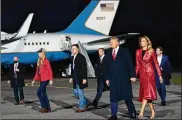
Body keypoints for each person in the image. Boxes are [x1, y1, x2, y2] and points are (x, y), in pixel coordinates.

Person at [105, 37, 137, 120]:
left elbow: (130, 63)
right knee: (113, 98)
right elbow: (107, 67)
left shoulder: (124, 51)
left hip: (124, 78)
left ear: (118, 43)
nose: (111, 43)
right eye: (110, 41)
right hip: (113, 79)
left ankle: (132, 112)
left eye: (113, 41)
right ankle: (114, 115)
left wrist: (132, 75)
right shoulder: (108, 53)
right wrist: (107, 78)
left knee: (127, 96)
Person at [135, 36, 163, 119]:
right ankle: (153, 111)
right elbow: (137, 64)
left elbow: (156, 64)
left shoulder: (151, 51)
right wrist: (134, 75)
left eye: (143, 41)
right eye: (141, 41)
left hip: (150, 74)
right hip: (142, 74)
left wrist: (160, 75)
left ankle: (141, 111)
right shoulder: (137, 51)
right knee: (146, 94)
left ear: (147, 42)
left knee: (146, 94)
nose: (142, 42)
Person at [32, 48, 53, 113]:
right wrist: (34, 80)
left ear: (42, 53)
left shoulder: (46, 61)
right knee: (43, 94)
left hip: (46, 79)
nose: (38, 55)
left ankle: (44, 107)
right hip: (41, 79)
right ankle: (48, 108)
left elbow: (50, 70)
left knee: (38, 92)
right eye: (38, 54)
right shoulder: (38, 61)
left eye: (39, 54)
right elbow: (37, 72)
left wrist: (51, 79)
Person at [69, 44, 88, 112]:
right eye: (72, 49)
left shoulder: (81, 57)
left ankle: (82, 107)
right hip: (75, 78)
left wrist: (84, 78)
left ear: (77, 49)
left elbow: (84, 68)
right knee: (75, 93)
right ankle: (86, 101)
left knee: (80, 93)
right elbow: (72, 68)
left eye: (74, 49)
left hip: (80, 78)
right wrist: (71, 77)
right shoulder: (72, 57)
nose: (72, 50)